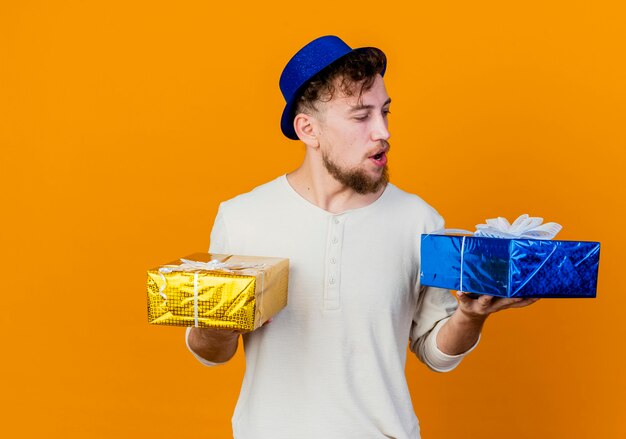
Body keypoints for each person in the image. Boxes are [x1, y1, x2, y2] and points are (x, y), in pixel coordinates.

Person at [185, 35, 538, 439]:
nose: (383, 132)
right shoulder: (242, 218)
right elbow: (212, 354)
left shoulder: (419, 220)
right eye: (361, 116)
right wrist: (215, 329)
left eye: (385, 112)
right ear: (308, 129)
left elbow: (434, 352)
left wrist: (470, 316)